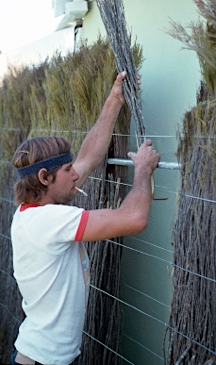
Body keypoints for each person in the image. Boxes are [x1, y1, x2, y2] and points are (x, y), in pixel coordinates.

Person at [10, 71, 160, 365]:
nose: (76, 173)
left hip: (38, 356)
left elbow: (88, 158)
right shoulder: (50, 221)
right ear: (44, 177)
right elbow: (134, 218)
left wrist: (113, 101)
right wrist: (143, 170)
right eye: (68, 170)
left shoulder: (31, 214)